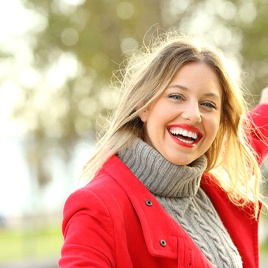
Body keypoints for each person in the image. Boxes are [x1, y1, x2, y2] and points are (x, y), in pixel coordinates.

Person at [58, 33, 268, 268]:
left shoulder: (212, 186)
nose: (194, 114)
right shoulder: (99, 206)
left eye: (208, 104)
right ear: (144, 106)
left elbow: (249, 143)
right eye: (176, 96)